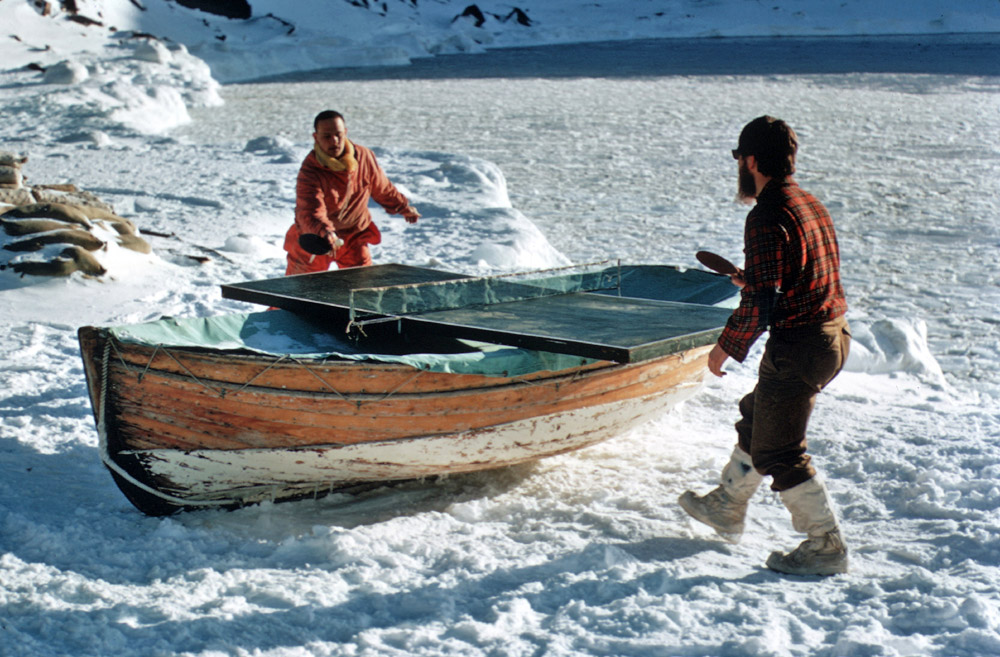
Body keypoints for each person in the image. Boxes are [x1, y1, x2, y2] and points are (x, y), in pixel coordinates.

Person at [679, 116, 852, 577]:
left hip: (800, 345)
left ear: (751, 160)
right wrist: (754, 279)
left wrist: (724, 348)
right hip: (834, 334)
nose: (739, 167)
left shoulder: (766, 216)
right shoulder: (809, 203)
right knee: (759, 417)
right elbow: (787, 278)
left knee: (780, 451)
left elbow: (759, 304)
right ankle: (727, 503)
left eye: (739, 159)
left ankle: (825, 546)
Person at [283, 110, 420, 274]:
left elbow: (382, 187)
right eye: (327, 136)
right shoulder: (311, 170)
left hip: (355, 234)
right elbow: (310, 210)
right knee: (300, 291)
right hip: (317, 238)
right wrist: (325, 232)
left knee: (362, 290)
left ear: (345, 133)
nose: (334, 141)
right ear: (316, 137)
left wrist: (402, 206)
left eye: (338, 135)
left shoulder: (364, 157)